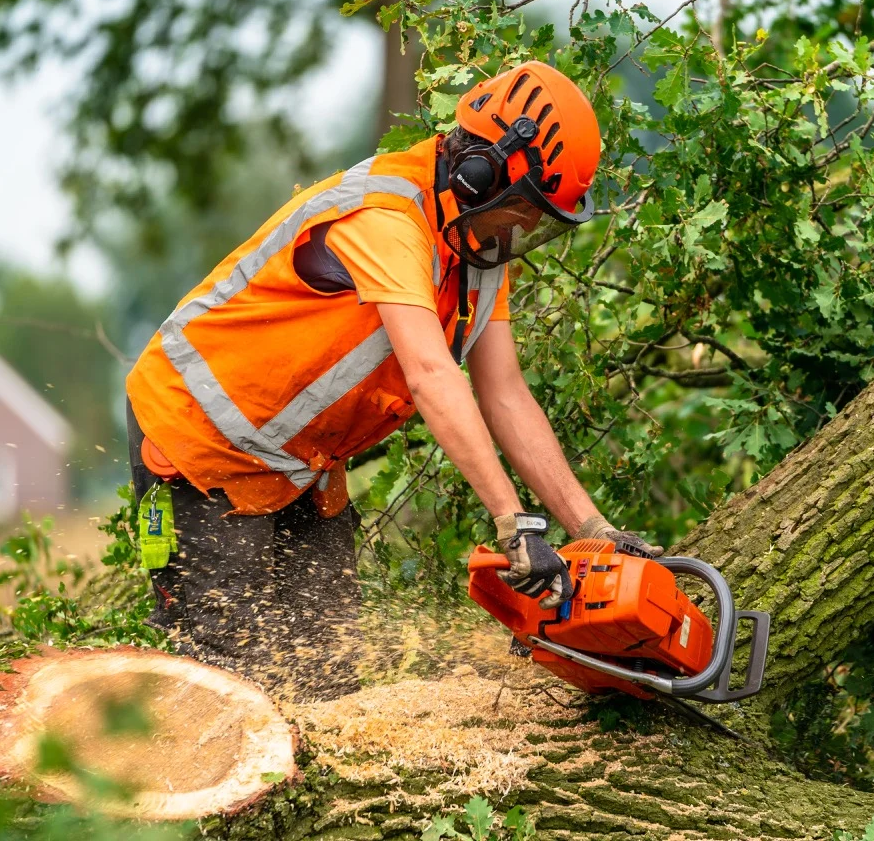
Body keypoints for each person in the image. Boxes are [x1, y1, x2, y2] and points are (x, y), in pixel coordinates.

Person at [123, 61, 661, 690]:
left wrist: (592, 531)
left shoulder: (475, 249)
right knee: (228, 670)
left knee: (327, 666)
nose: (521, 229)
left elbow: (506, 393)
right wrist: (512, 521)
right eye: (521, 209)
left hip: (303, 461)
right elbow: (434, 375)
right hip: (201, 439)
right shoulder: (386, 216)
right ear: (481, 173)